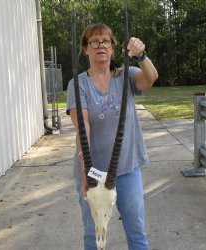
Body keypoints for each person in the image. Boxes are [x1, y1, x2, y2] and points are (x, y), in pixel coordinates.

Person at [67, 23, 158, 250]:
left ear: (113, 48)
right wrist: (86, 172)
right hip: (92, 172)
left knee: (137, 233)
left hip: (127, 169)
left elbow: (151, 78)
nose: (101, 46)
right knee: (93, 234)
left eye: (105, 41)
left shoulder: (126, 76)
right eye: (94, 41)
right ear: (85, 48)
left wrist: (141, 55)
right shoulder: (77, 84)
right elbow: (83, 127)